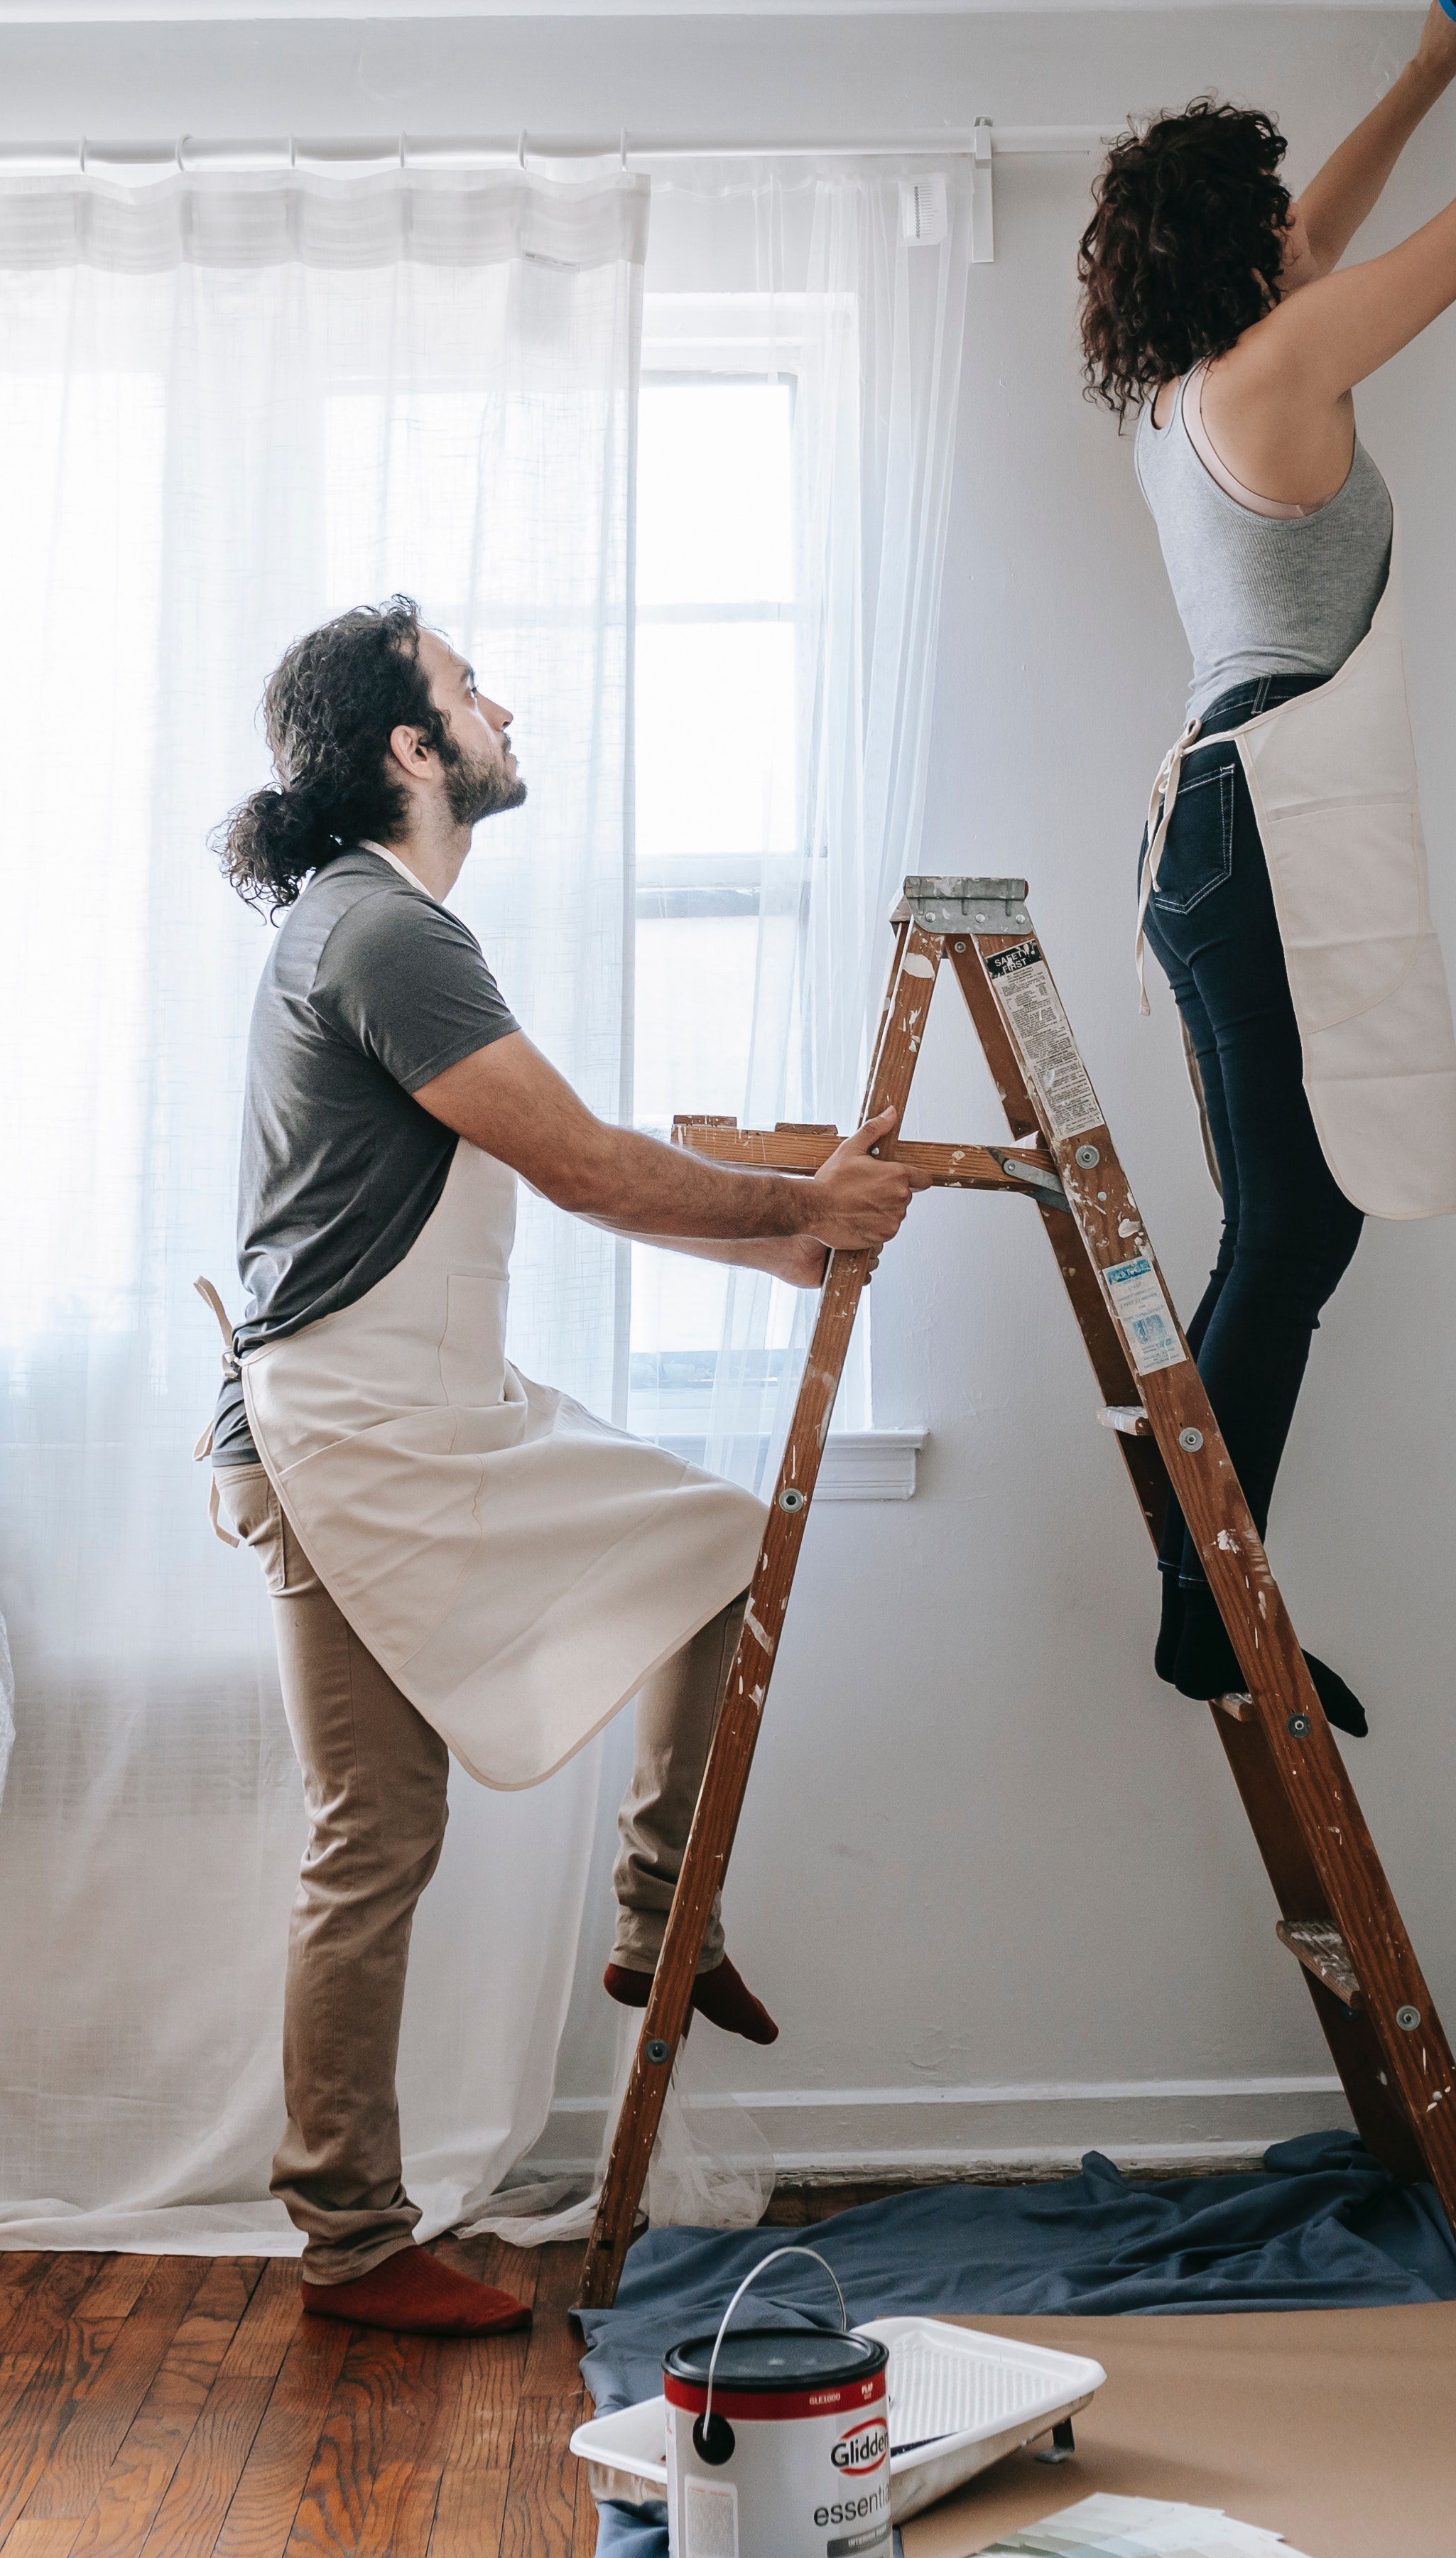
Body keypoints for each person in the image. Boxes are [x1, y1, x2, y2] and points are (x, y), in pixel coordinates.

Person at [199, 595, 923, 2337]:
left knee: (709, 1550)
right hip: (355, 1428)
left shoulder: (364, 924)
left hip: (405, 1403)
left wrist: (775, 1249)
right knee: (374, 1832)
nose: (496, 705)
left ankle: (660, 1896)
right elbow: (587, 1164)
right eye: (465, 688)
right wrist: (804, 1213)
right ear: (406, 746)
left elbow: (553, 1172)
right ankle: (355, 2239)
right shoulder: (385, 934)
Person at [1077, 0, 1456, 1735]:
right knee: (1291, 1230)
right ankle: (1206, 1595)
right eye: (1275, 217)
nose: (1306, 230)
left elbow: (1328, 229)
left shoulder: (1188, 393)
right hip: (1256, 817)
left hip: (1210, 822)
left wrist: (1428, 62)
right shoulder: (1276, 366)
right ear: (1243, 248)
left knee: (1285, 1223)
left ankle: (1206, 1582)